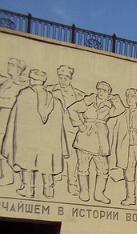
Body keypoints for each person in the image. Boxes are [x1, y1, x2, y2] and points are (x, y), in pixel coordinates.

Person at [2, 69, 67, 199]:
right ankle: (49, 190)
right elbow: (59, 126)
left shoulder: (24, 95)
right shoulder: (55, 100)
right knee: (47, 163)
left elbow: (16, 118)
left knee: (26, 161)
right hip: (48, 142)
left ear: (32, 80)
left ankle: (28, 189)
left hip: (28, 138)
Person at [68, 81, 125, 203]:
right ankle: (84, 192)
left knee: (103, 169)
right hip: (85, 137)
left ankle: (99, 194)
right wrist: (80, 125)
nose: (101, 92)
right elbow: (72, 109)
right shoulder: (88, 101)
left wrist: (115, 99)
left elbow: (121, 109)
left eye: (104, 91)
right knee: (83, 166)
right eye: (99, 89)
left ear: (108, 93)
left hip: (101, 140)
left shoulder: (109, 106)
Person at [48, 65, 85, 196]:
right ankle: (50, 184)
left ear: (71, 78)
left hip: (71, 131)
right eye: (61, 77)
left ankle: (72, 185)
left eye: (66, 78)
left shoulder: (79, 95)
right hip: (54, 129)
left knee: (72, 158)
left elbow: (83, 113)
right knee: (52, 155)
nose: (63, 80)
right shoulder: (49, 91)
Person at [0, 58, 27, 187]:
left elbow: (18, 103)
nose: (9, 66)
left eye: (12, 65)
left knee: (12, 150)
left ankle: (15, 179)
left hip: (13, 120)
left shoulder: (22, 84)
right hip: (2, 118)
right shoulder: (5, 82)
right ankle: (5, 176)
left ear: (19, 69)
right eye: (9, 64)